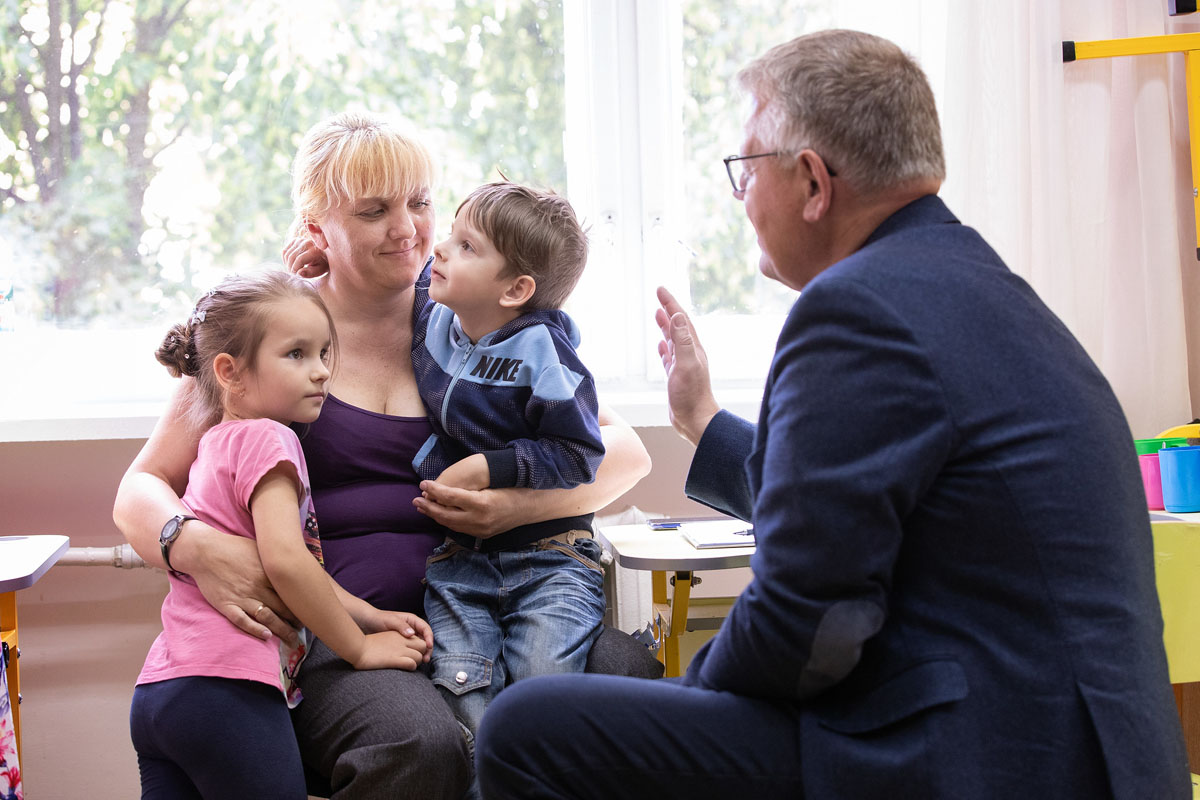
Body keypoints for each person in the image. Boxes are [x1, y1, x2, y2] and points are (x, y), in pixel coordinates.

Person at [475, 29, 1189, 799]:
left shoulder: (856, 309)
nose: (741, 198)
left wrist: (691, 695)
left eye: (744, 171)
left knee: (527, 727)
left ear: (814, 182)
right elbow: (864, 517)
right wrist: (703, 422)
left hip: (980, 754)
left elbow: (806, 622)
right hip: (1086, 750)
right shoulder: (975, 285)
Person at [113, 111, 656, 800]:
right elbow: (140, 488)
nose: (407, 229)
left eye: (420, 203)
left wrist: (512, 506)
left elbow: (625, 455)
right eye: (374, 211)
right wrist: (195, 548)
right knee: (421, 743)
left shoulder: (475, 320)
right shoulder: (273, 333)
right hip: (342, 638)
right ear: (317, 230)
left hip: (485, 604)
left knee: (622, 676)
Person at [130, 270, 433, 799]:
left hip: (163, 689)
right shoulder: (272, 440)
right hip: (230, 690)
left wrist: (373, 613)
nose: (320, 373)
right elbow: (288, 564)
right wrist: (359, 648)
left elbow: (294, 564)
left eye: (323, 353)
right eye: (296, 355)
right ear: (230, 372)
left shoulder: (216, 443)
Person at [413, 182, 607, 738]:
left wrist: (489, 468)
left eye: (467, 246)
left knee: (539, 704)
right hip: (460, 564)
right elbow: (377, 279)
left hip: (550, 562)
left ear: (517, 289)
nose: (441, 250)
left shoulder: (547, 353)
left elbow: (580, 452)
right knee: (467, 706)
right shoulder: (432, 315)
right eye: (450, 233)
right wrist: (315, 268)